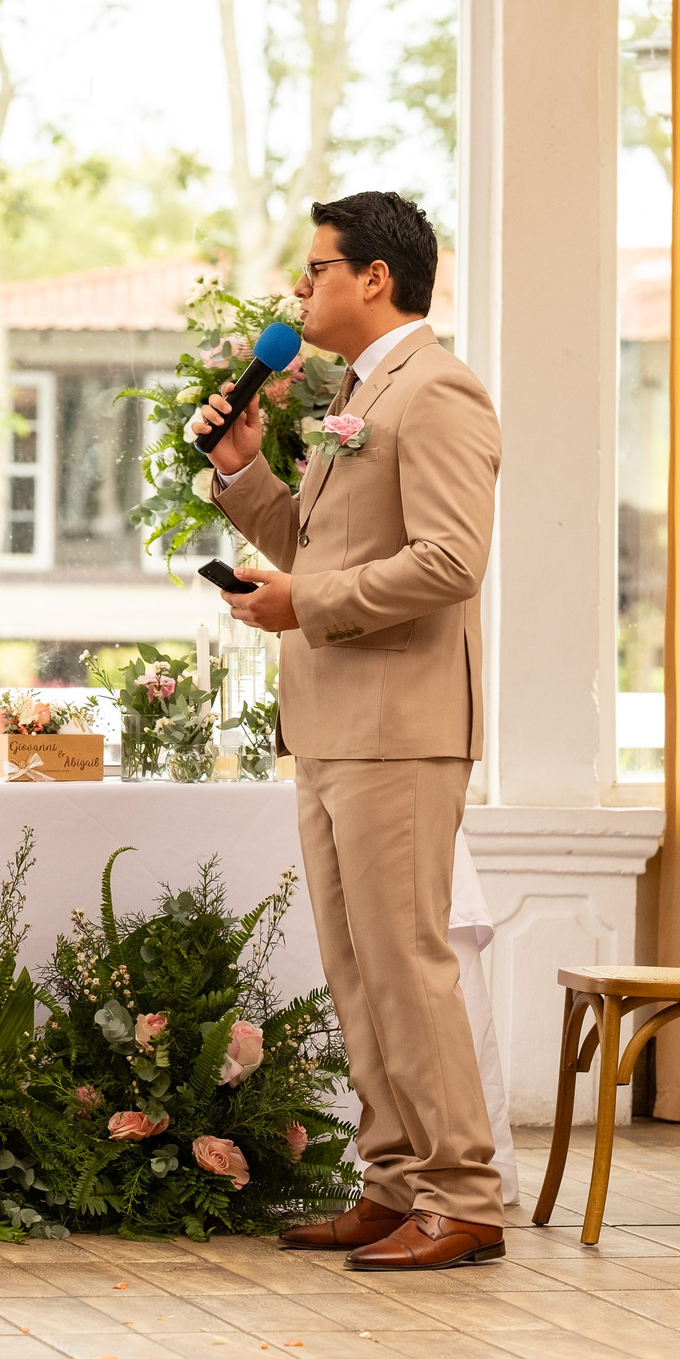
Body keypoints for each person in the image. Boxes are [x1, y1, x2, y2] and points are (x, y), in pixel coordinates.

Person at [191, 191, 506, 1271]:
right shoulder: (354, 396)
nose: (299, 291)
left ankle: (463, 1194)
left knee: (406, 962)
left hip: (400, 723)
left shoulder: (440, 392)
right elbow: (317, 545)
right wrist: (242, 470)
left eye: (315, 270)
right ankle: (393, 1179)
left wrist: (302, 605)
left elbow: (451, 563)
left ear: (375, 279)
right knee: (357, 966)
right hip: (331, 721)